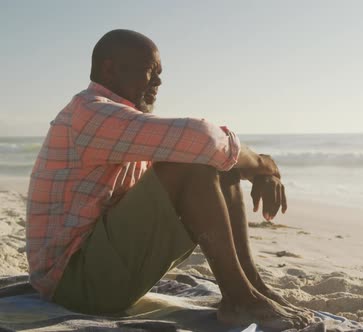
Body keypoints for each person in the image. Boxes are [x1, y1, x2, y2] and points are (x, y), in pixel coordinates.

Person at [26, 29, 312, 330]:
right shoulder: (90, 112)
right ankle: (239, 295)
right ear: (109, 69)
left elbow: (210, 150)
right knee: (192, 162)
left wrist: (253, 168)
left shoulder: (119, 121)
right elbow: (203, 138)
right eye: (150, 71)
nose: (158, 83)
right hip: (73, 283)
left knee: (213, 163)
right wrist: (263, 165)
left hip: (98, 271)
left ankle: (250, 286)